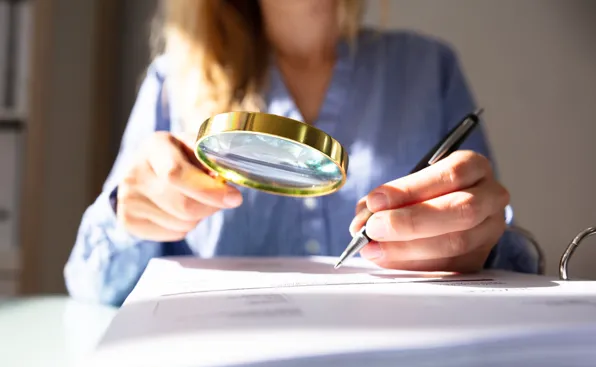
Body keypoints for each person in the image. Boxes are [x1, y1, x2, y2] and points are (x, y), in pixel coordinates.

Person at [64, 0, 539, 307]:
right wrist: (128, 216)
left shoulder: (430, 69)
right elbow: (91, 285)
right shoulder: (173, 81)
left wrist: (481, 240)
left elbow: (508, 262)